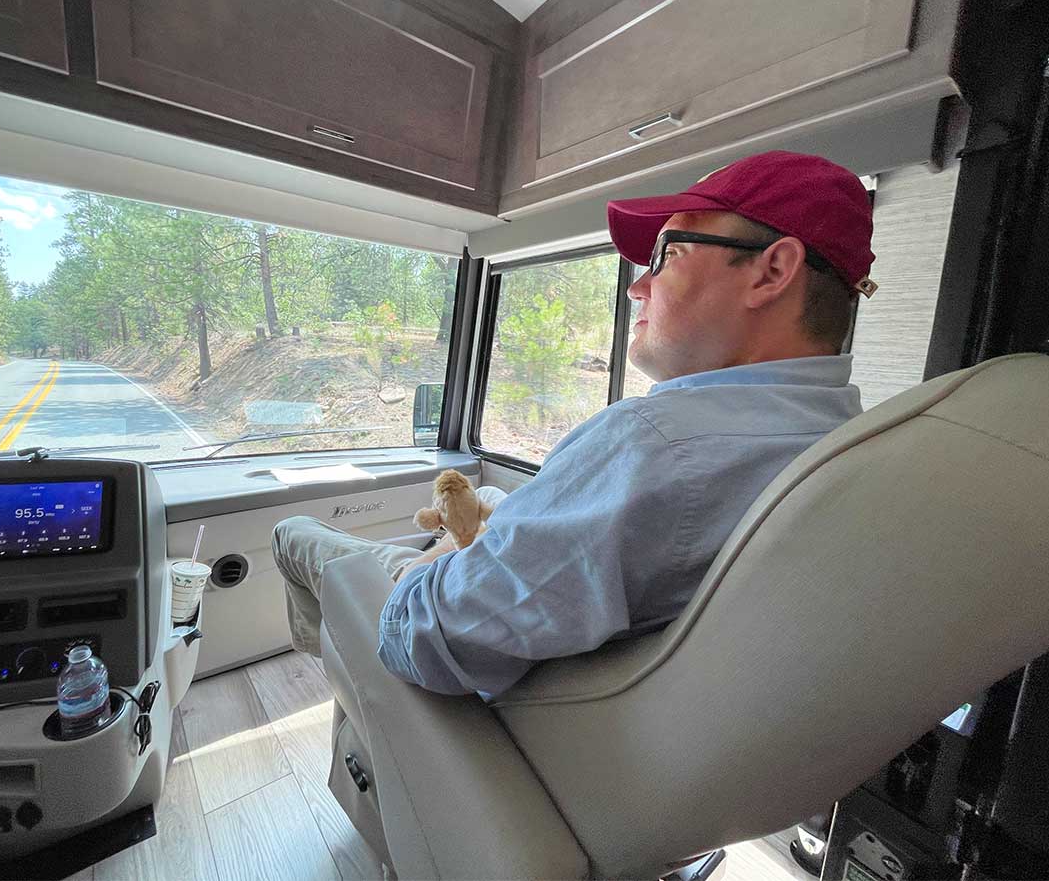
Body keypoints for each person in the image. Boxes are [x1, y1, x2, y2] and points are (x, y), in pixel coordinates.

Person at [272, 149, 878, 698]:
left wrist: (433, 567)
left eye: (667, 256)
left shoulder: (656, 441)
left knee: (293, 532)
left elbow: (428, 636)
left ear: (771, 273)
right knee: (484, 496)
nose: (637, 288)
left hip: (431, 643)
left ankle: (360, 696)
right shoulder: (846, 442)